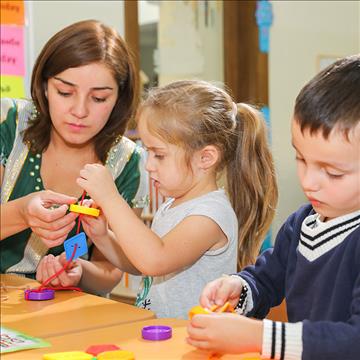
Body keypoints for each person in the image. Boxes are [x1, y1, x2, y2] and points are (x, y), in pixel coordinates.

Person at [186, 55, 360, 359]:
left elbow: (354, 341)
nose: (309, 182)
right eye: (301, 159)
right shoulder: (302, 223)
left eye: (333, 172)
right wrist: (238, 288)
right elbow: (266, 279)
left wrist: (261, 336)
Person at [75, 79, 278, 318]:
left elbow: (155, 260)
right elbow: (142, 264)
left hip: (192, 345)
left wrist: (110, 198)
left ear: (206, 158)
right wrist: (102, 236)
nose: (149, 165)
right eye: (147, 151)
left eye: (159, 155)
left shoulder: (211, 214)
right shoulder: (174, 205)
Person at [0, 20, 148, 295]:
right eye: (65, 92)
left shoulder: (128, 162)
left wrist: (78, 272)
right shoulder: (8, 123)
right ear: (44, 86)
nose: (79, 111)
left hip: (65, 310)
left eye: (99, 98)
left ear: (119, 99)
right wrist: (21, 213)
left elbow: (110, 271)